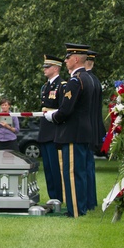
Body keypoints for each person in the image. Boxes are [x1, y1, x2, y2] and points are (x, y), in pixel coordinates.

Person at [43, 43, 93, 218]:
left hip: (73, 132)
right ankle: (81, 207)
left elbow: (66, 109)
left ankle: (76, 211)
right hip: (82, 131)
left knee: (72, 173)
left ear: (76, 59)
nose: (65, 61)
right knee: (79, 173)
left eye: (68, 57)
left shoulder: (75, 81)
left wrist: (53, 117)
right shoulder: (87, 78)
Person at [38, 54, 65, 204]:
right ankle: (52, 196)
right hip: (45, 130)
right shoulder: (45, 86)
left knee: (56, 167)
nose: (44, 70)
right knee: (48, 168)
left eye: (47, 67)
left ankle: (59, 197)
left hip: (55, 132)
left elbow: (62, 109)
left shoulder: (62, 85)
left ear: (55, 68)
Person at [82, 50, 103, 212]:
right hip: (94, 127)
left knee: (84, 167)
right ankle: (91, 200)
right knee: (89, 166)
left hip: (85, 128)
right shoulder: (95, 80)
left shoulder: (84, 80)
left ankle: (87, 201)